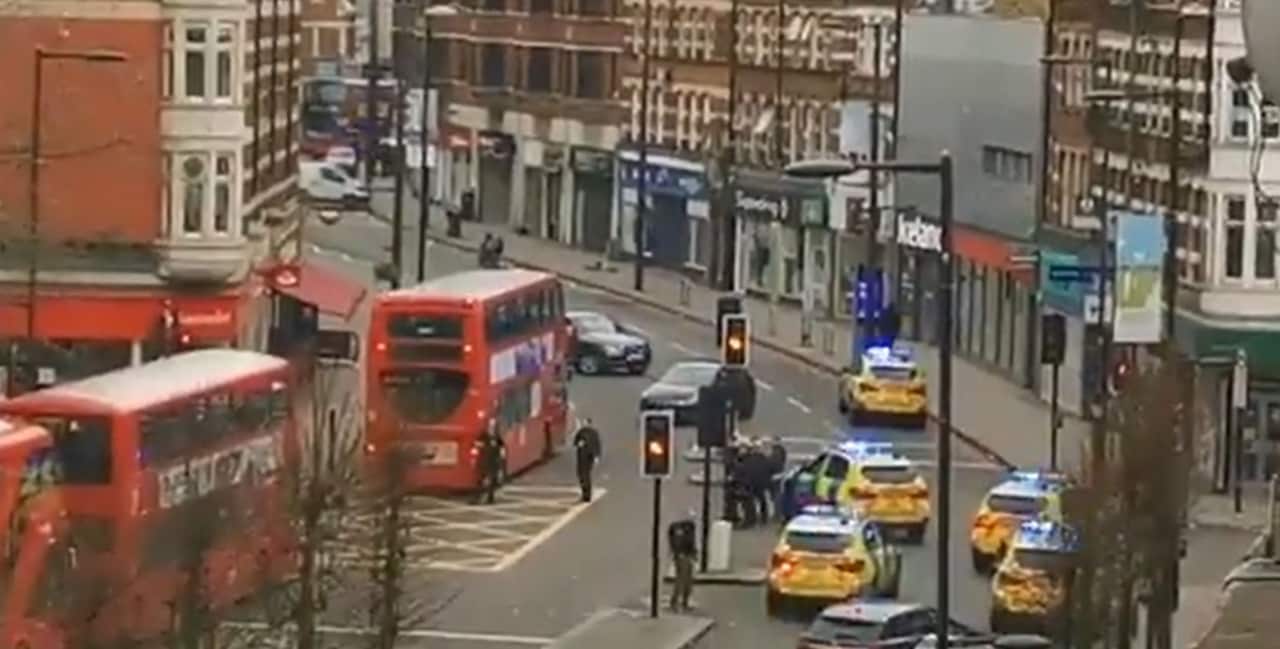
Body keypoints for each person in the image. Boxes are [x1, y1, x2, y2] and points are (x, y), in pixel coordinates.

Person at [667, 511, 697, 612]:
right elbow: (676, 542)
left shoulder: (690, 527)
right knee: (681, 579)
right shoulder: (678, 528)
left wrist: (693, 553)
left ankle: (684, 601)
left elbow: (691, 541)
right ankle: (675, 602)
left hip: (687, 555)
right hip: (682, 555)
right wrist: (678, 553)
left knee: (688, 580)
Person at [572, 418, 602, 502]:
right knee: (580, 475)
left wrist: (596, 456)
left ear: (589, 424)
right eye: (583, 423)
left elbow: (597, 444)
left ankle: (587, 495)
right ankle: (584, 492)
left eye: (585, 423)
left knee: (586, 475)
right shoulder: (580, 432)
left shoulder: (594, 433)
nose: (584, 424)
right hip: (581, 457)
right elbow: (575, 442)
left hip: (589, 457)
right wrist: (578, 444)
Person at [478, 420, 506, 504]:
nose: (491, 428)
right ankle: (483, 496)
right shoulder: (484, 436)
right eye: (490, 426)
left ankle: (490, 498)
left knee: (491, 479)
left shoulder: (497, 437)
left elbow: (502, 448)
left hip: (494, 461)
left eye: (492, 426)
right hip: (486, 460)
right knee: (485, 479)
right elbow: (479, 443)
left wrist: (501, 457)